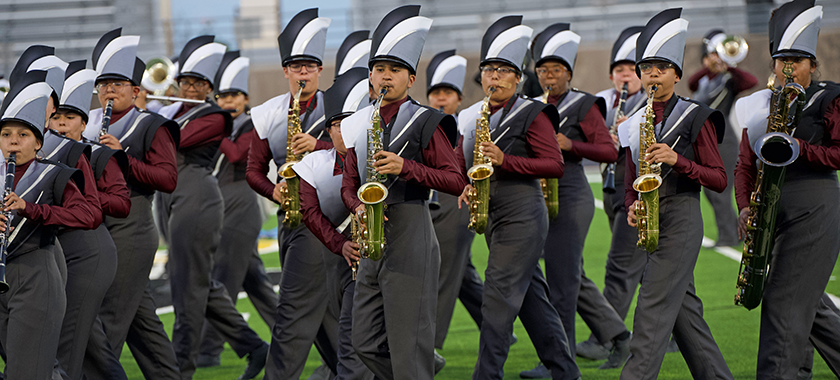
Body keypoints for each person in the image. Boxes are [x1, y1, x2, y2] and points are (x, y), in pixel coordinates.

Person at [339, 5, 465, 379]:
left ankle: (419, 364)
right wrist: (356, 206)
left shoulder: (428, 120)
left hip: (411, 227)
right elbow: (349, 184)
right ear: (369, 78)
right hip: (372, 235)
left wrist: (405, 166)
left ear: (411, 79)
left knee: (408, 342)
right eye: (379, 70)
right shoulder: (358, 123)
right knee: (363, 341)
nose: (385, 77)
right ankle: (423, 364)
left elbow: (455, 180)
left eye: (395, 71)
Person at [454, 15, 579, 380]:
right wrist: (466, 182)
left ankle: (487, 374)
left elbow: (553, 164)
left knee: (496, 295)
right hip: (493, 215)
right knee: (532, 301)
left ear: (517, 78)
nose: (494, 77)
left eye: (503, 71)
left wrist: (505, 159)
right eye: (489, 70)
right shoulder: (473, 116)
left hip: (523, 212)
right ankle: (566, 371)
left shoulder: (533, 113)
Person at [617, 8, 733, 380]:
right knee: (686, 314)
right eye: (647, 67)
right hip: (652, 218)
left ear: (677, 75)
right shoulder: (633, 124)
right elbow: (629, 178)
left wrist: (677, 160)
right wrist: (632, 205)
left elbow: (718, 179)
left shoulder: (696, 115)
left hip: (682, 215)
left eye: (662, 67)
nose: (653, 73)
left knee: (650, 306)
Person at [732, 1, 840, 378]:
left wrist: (800, 148)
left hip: (815, 202)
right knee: (808, 304)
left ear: (813, 63)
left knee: (783, 299)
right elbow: (745, 163)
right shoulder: (760, 104)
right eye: (781, 59)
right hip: (771, 206)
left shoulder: (831, 97)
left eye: (797, 59)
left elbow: (839, 154)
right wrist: (745, 207)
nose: (788, 67)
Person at [155, 35, 268, 380]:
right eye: (184, 82)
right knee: (201, 283)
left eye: (197, 84)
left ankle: (183, 365)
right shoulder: (168, 112)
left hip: (202, 198)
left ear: (208, 89)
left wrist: (144, 113)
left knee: (188, 286)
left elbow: (173, 140)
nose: (188, 89)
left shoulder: (215, 116)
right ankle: (254, 347)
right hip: (170, 197)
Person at [521, 22, 628, 377]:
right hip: (539, 194)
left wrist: (571, 145)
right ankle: (618, 335)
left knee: (562, 284)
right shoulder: (533, 106)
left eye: (555, 70)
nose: (548, 76)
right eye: (543, 70)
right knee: (569, 276)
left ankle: (558, 362)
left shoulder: (584, 104)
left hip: (571, 194)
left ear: (568, 73)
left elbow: (608, 152)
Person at [82, 28, 181, 380]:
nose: (109, 91)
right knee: (142, 321)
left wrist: (122, 158)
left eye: (118, 84)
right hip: (98, 224)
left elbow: (168, 180)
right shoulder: (88, 123)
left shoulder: (153, 125)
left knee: (108, 317)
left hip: (133, 225)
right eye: (103, 84)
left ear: (136, 91)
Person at [247, 8, 341, 379]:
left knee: (292, 315)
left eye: (310, 65)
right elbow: (254, 171)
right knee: (324, 323)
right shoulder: (269, 112)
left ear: (321, 70)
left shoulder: (341, 107)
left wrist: (318, 145)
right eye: (296, 66)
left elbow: (354, 157)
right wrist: (277, 192)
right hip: (291, 219)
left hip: (329, 219)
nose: (303, 72)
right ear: (285, 71)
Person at [0, 68, 97, 380]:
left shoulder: (55, 173)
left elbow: (88, 216)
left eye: (23, 135)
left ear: (38, 143)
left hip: (36, 274)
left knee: (27, 370)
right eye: (6, 135)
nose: (13, 141)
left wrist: (31, 209)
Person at [195, 50, 279, 369]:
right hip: (221, 205)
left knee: (224, 278)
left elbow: (235, 156)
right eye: (223, 96)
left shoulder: (253, 124)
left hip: (242, 206)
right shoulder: (218, 122)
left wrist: (212, 126)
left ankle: (209, 350)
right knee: (255, 283)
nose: (229, 102)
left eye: (234, 96)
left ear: (245, 99)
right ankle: (292, 334)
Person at [51, 60, 133, 380]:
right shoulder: (45, 154)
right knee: (93, 347)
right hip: (63, 251)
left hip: (91, 247)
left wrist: (85, 200)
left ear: (83, 123)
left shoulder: (95, 153)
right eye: (56, 117)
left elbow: (120, 204)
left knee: (69, 342)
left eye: (69, 117)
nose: (61, 124)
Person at [575, 26, 649, 364]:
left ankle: (605, 338)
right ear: (611, 74)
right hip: (611, 187)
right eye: (620, 70)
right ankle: (681, 331)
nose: (626, 76)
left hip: (638, 193)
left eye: (632, 70)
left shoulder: (651, 103)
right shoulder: (603, 102)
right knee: (651, 265)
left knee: (620, 266)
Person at [296, 66, 374, 380]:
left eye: (352, 124)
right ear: (328, 131)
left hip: (381, 257)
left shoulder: (377, 159)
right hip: (340, 258)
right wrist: (340, 244)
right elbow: (310, 214)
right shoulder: (314, 163)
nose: (345, 132)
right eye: (338, 126)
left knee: (356, 337)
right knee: (346, 331)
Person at [425, 50, 485, 359]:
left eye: (447, 93)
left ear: (458, 99)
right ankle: (495, 326)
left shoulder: (469, 124)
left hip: (457, 203)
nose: (440, 99)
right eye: (435, 93)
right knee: (462, 276)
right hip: (431, 204)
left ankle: (430, 347)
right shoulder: (423, 125)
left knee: (442, 274)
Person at [689, 29, 758, 247]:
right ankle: (732, 233)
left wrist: (728, 67)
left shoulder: (729, 80)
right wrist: (707, 68)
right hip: (706, 140)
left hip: (724, 140)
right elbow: (691, 82)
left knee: (720, 192)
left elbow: (751, 81)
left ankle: (730, 236)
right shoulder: (704, 80)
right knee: (711, 192)